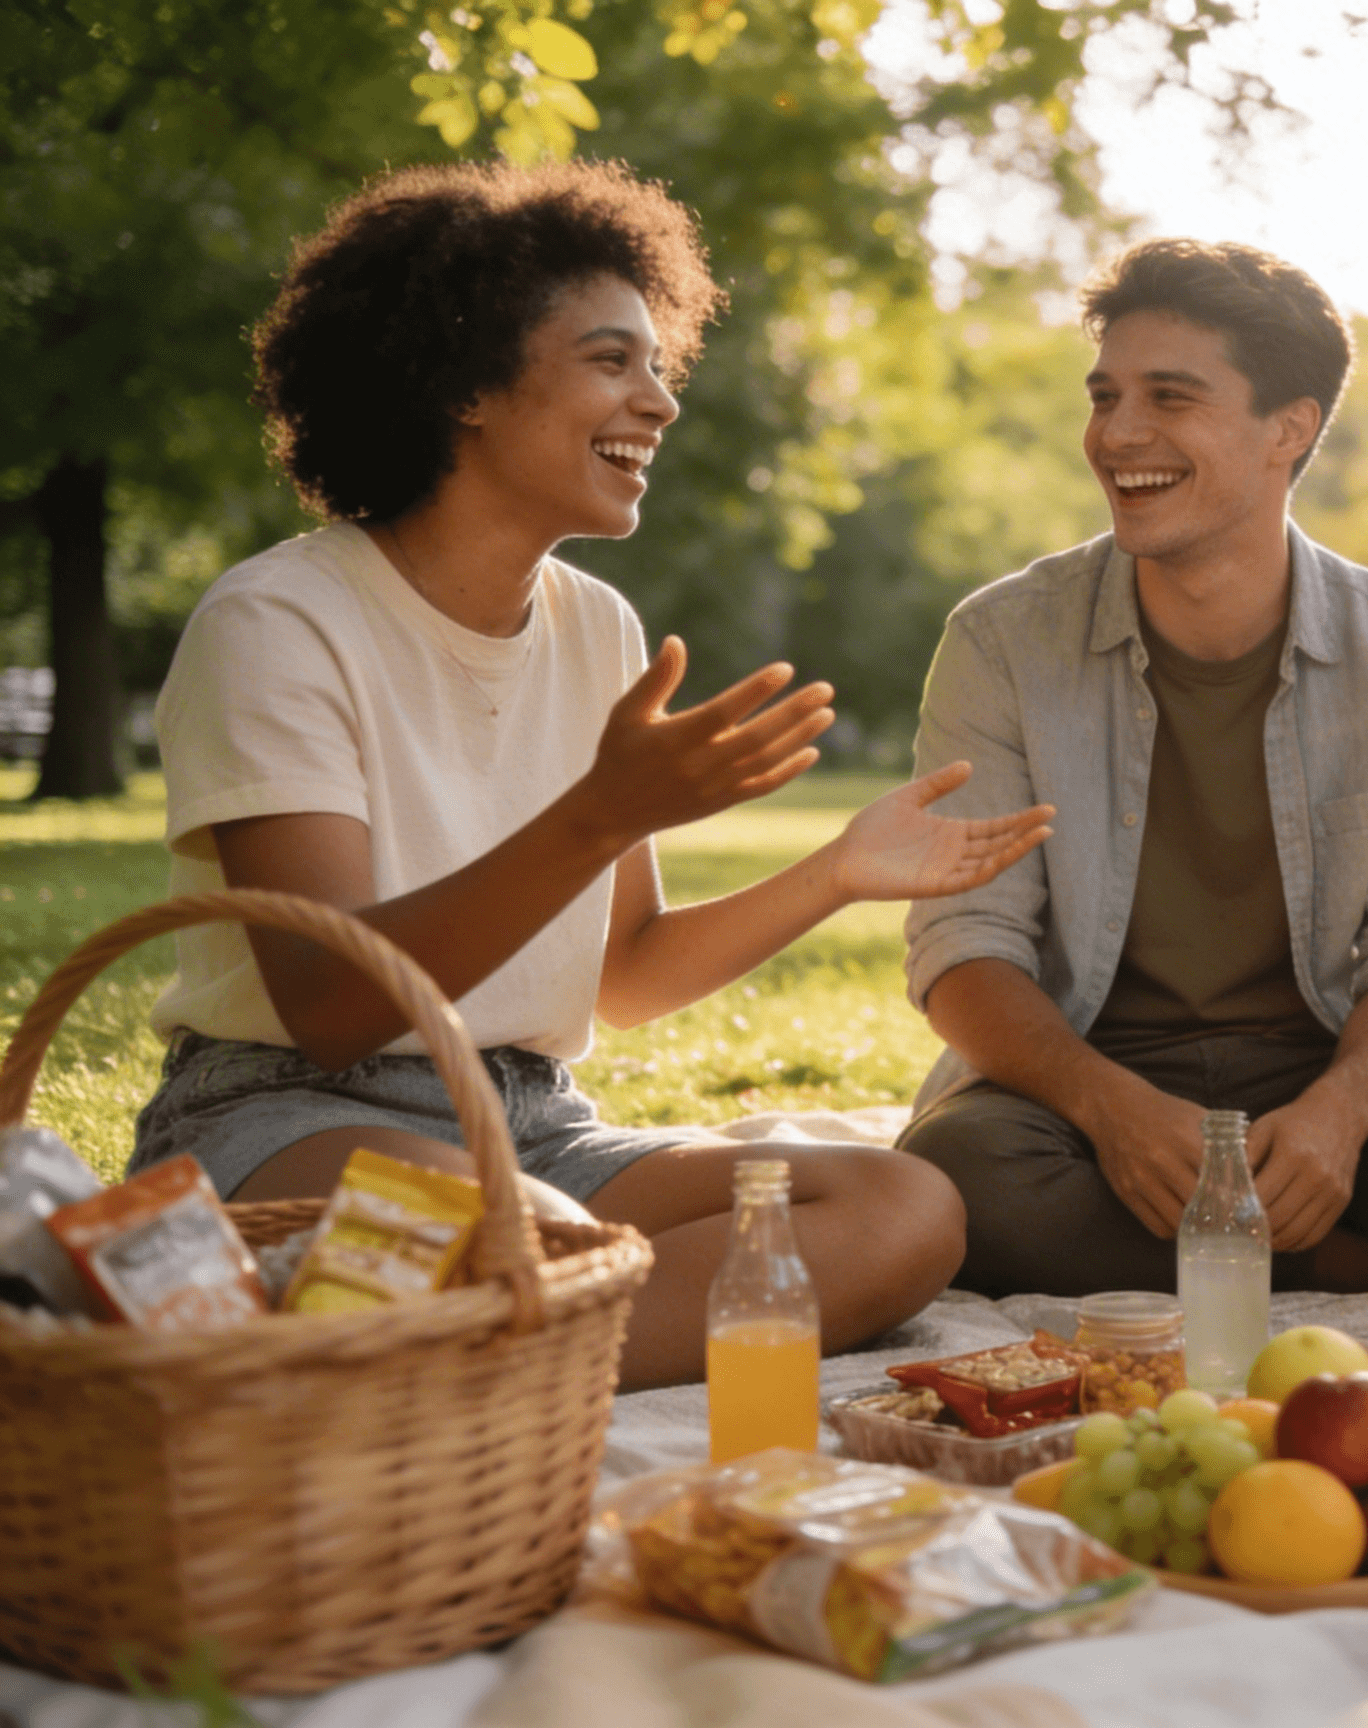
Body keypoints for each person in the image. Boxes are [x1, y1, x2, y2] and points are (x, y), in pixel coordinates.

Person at [130, 160, 1052, 1389]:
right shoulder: (277, 623)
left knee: (900, 1206)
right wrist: (600, 813)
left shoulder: (597, 628)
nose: (660, 402)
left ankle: (475, 1357)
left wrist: (836, 874)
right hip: (285, 1114)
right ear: (465, 383)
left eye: (658, 364)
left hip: (533, 1119)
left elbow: (626, 974)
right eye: (613, 361)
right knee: (547, 1246)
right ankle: (504, 1343)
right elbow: (335, 1006)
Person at [895, 238, 1368, 1299]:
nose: (1117, 433)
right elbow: (962, 948)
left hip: (1328, 1071)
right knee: (964, 1184)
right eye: (1106, 394)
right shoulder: (1000, 642)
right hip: (1081, 1083)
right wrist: (1111, 1110)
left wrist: (1343, 1117)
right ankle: (1354, 1261)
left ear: (1290, 429)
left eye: (1169, 396)